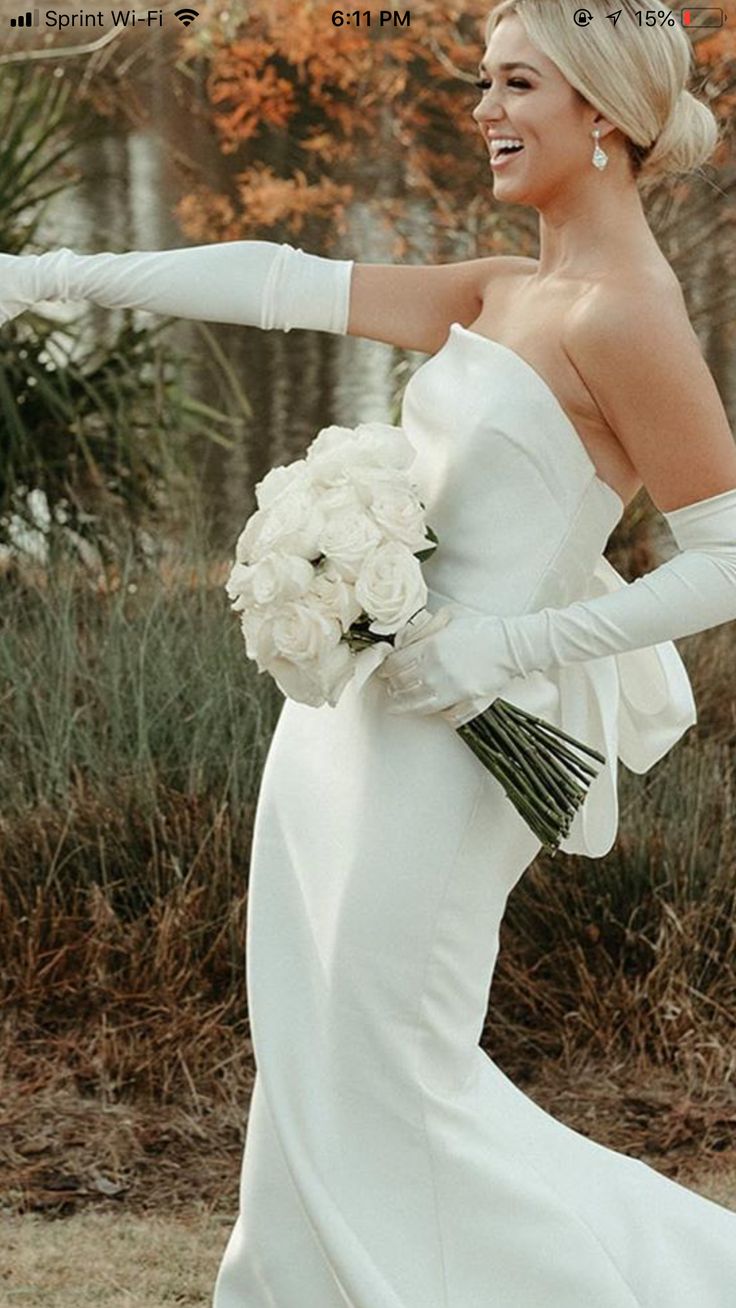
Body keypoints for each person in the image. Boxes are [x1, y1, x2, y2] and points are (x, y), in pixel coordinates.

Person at [3, 0, 736, 1301]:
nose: (485, 111)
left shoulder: (628, 318)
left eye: (518, 83)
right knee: (310, 1043)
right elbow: (281, 283)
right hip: (344, 720)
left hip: (465, 740)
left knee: (393, 1066)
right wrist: (59, 277)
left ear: (605, 115)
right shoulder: (506, 288)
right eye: (481, 81)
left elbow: (726, 560)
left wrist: (516, 637)